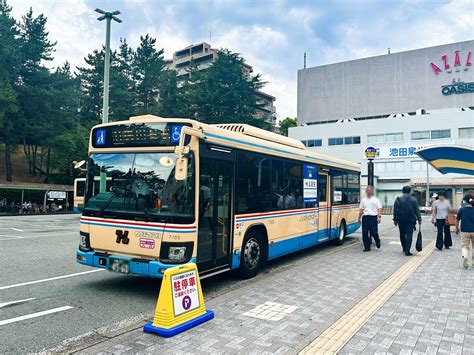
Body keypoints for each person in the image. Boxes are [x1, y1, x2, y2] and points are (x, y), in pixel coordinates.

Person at [393, 186, 422, 256]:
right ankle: (407, 250)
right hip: (410, 220)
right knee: (409, 235)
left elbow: (395, 210)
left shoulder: (398, 199)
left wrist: (395, 220)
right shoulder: (413, 200)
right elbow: (416, 210)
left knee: (402, 234)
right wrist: (419, 219)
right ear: (410, 191)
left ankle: (404, 247)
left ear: (402, 191)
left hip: (401, 220)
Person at [358, 186, 382, 252]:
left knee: (374, 232)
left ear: (372, 191)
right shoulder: (363, 200)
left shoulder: (376, 200)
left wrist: (379, 217)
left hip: (373, 218)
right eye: (367, 191)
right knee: (365, 234)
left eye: (369, 191)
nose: (368, 192)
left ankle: (377, 240)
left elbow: (379, 208)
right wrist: (359, 218)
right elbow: (361, 210)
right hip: (365, 218)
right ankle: (367, 247)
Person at [456, 194, 474, 269]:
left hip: (465, 231)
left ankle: (465, 258)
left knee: (464, 246)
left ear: (465, 201)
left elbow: (457, 219)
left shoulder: (462, 209)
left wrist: (456, 228)